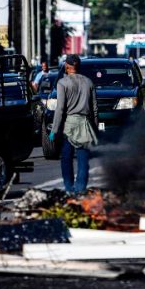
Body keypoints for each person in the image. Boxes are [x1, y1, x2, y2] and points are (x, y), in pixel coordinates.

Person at [49, 54, 98, 195]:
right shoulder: (89, 82)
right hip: (85, 124)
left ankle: (69, 189)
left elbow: (60, 109)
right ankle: (81, 188)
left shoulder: (62, 83)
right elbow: (95, 109)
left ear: (67, 66)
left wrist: (54, 129)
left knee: (66, 158)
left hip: (69, 125)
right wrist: (94, 128)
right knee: (83, 159)